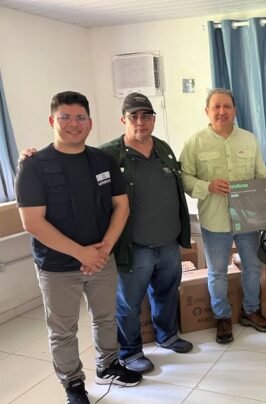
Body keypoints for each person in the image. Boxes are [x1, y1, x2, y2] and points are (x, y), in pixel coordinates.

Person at [15, 91, 142, 404]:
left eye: (80, 117)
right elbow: (32, 222)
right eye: (65, 117)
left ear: (90, 123)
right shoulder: (34, 166)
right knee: (63, 330)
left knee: (106, 318)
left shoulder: (103, 160)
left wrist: (104, 249)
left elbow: (121, 206)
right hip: (57, 267)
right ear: (52, 120)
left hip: (102, 260)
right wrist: (81, 253)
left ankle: (108, 365)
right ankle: (73, 385)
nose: (74, 123)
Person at [99, 92, 192, 374]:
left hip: (168, 242)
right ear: (123, 120)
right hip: (134, 247)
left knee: (166, 292)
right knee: (128, 303)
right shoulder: (108, 154)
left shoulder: (162, 148)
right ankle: (130, 352)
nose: (140, 121)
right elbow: (75, 165)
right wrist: (34, 159)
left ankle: (167, 336)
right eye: (134, 116)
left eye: (146, 116)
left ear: (153, 119)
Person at [179, 88, 266, 344]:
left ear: (235, 110)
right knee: (217, 271)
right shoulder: (195, 142)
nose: (222, 112)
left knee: (253, 267)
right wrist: (207, 186)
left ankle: (251, 311)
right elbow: (184, 178)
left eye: (227, 107)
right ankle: (222, 317)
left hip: (248, 218)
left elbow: (262, 176)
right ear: (207, 111)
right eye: (216, 107)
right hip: (215, 219)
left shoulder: (249, 139)